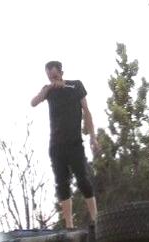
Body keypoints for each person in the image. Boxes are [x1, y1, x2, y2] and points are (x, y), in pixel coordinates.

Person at [30, 60, 98, 229]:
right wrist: (48, 89)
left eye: (54, 74)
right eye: (49, 75)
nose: (52, 77)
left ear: (61, 72)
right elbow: (33, 102)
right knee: (62, 183)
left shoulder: (75, 86)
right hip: (56, 146)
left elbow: (87, 112)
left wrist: (93, 137)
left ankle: (96, 219)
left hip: (74, 143)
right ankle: (69, 224)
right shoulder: (48, 91)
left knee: (83, 179)